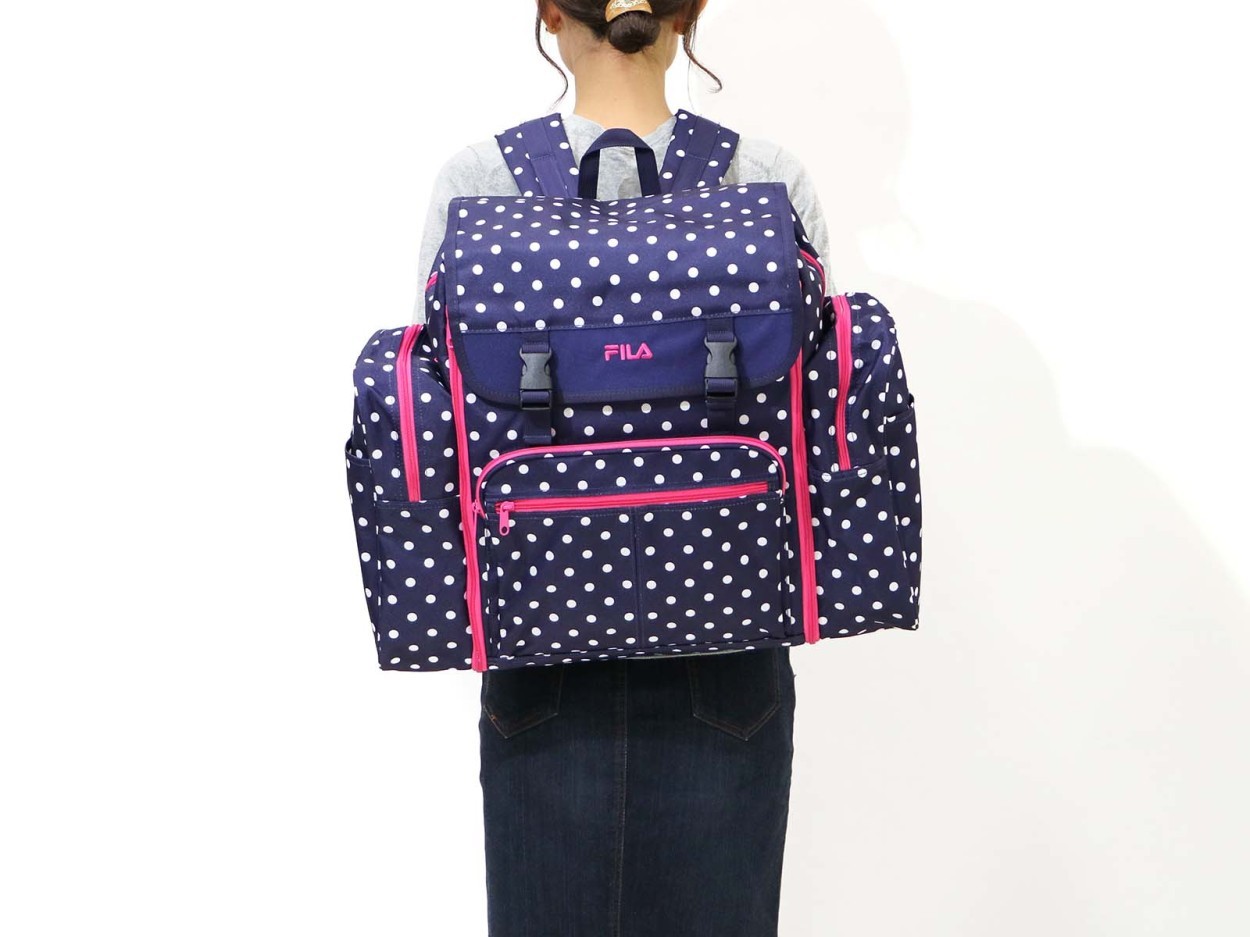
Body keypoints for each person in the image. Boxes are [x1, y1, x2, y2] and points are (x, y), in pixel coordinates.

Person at [413, 2, 833, 935]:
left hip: (539, 647)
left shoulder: (478, 185)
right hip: (729, 645)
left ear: (548, 12)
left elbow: (443, 423)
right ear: (692, 12)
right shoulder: (767, 180)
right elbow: (810, 421)